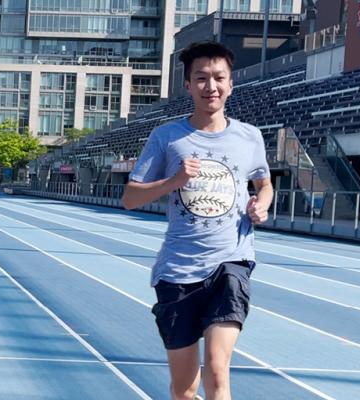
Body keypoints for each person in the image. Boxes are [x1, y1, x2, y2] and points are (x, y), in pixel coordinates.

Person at [121, 41, 274, 400]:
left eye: (219, 77)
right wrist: (174, 181)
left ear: (231, 84)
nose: (211, 86)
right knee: (184, 388)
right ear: (187, 85)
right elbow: (130, 198)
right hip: (177, 272)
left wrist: (262, 204)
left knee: (218, 372)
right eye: (201, 78)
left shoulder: (249, 136)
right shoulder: (167, 137)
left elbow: (264, 184)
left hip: (230, 264)